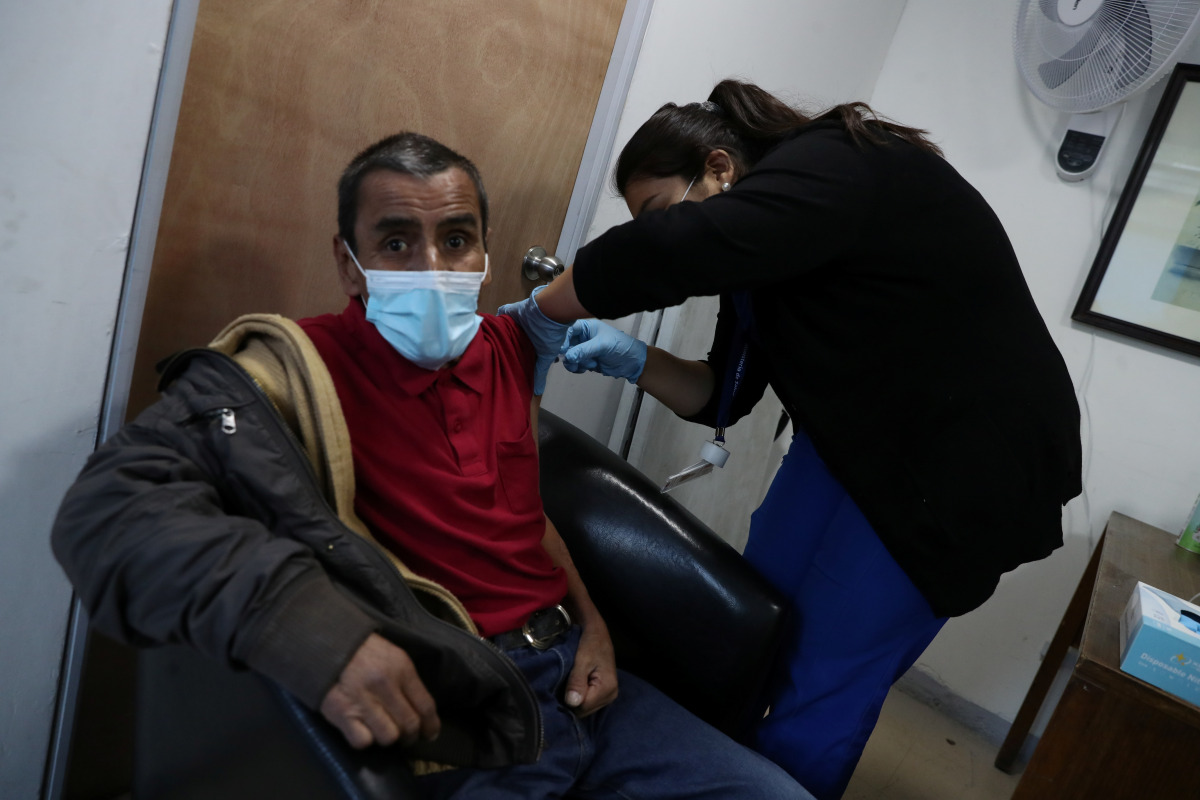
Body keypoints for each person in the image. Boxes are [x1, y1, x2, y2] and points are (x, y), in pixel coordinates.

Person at [51, 131, 811, 799]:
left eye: (455, 239)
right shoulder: (287, 374)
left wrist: (593, 626)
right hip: (470, 708)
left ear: (484, 253)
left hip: (587, 685)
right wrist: (309, 632)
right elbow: (110, 511)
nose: (431, 265)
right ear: (349, 265)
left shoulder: (506, 348)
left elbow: (527, 515)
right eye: (395, 243)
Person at [499, 79, 1083, 800]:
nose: (660, 229)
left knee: (822, 681)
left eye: (659, 208)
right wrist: (634, 358)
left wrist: (541, 312)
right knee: (751, 625)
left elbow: (673, 248)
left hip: (962, 467)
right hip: (857, 439)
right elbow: (723, 393)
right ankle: (720, 775)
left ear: (719, 169)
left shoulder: (838, 161)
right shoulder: (766, 256)